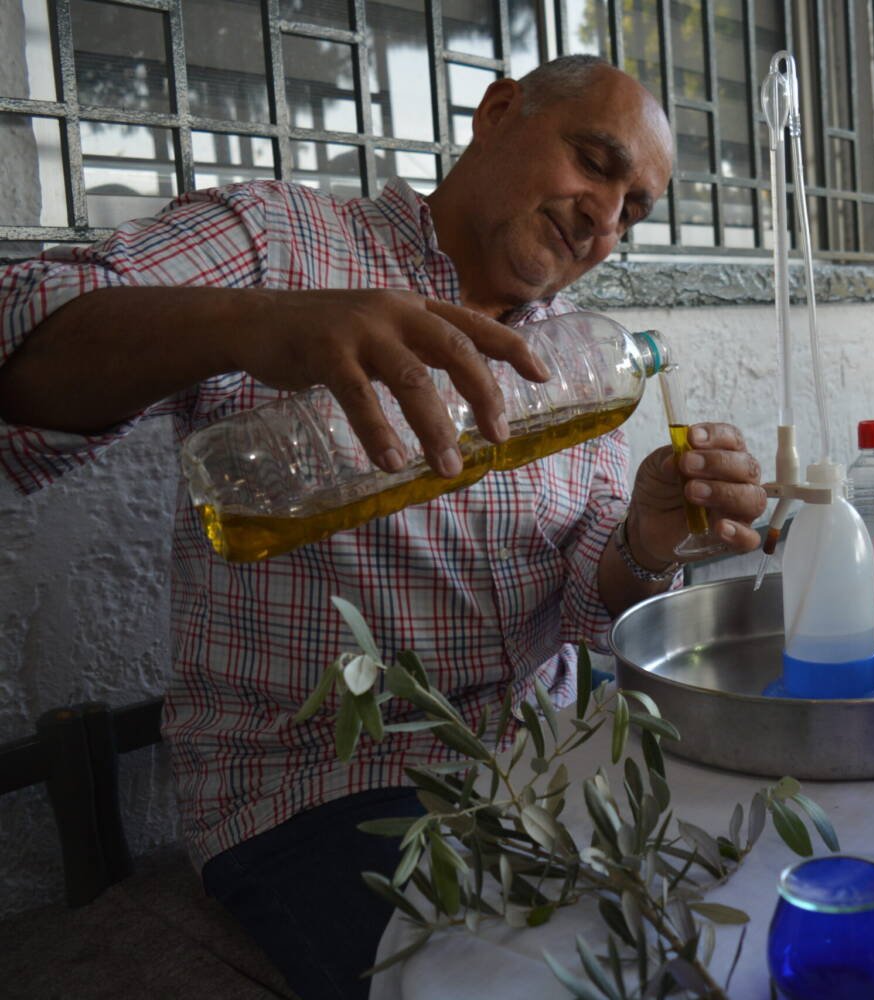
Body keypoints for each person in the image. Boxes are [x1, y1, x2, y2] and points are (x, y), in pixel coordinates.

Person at [0, 55, 766, 999]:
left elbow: (579, 604)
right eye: (594, 162)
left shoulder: (574, 359)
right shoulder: (284, 241)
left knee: (750, 930)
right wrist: (250, 325)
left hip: (545, 763)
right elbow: (17, 338)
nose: (604, 216)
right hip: (319, 790)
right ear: (497, 112)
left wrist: (647, 539)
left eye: (635, 207)